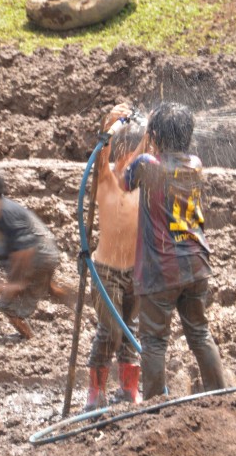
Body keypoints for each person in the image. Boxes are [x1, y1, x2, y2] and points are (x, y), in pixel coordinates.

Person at [122, 102, 227, 400]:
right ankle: (222, 397)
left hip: (161, 268)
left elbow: (124, 181)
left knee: (154, 341)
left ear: (154, 135)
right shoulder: (195, 163)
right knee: (199, 333)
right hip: (195, 263)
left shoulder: (147, 164)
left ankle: (154, 408)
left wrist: (145, 138)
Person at [84, 103, 146, 410]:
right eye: (130, 153)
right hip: (105, 270)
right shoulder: (106, 178)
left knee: (131, 329)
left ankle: (128, 390)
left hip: (135, 270)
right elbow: (101, 157)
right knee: (109, 331)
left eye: (139, 153)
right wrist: (109, 123)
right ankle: (95, 394)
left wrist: (147, 129)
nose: (134, 159)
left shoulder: (142, 183)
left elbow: (150, 148)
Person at [0, 166, 66, 341]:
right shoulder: (0, 213)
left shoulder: (6, 213)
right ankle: (71, 299)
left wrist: (16, 284)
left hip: (38, 258)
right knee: (47, 293)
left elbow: (25, 249)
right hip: (42, 257)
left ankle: (31, 340)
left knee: (7, 305)